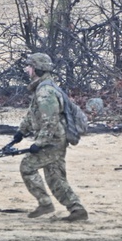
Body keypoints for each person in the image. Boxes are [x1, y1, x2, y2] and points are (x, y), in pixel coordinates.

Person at [12, 52, 88, 222]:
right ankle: (77, 209)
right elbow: (33, 114)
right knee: (55, 177)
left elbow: (50, 121)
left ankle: (45, 203)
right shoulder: (43, 88)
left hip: (53, 141)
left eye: (29, 66)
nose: (26, 69)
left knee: (27, 166)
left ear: (36, 69)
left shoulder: (45, 91)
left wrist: (40, 143)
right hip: (55, 139)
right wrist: (21, 132)